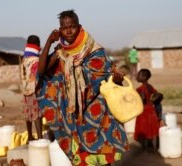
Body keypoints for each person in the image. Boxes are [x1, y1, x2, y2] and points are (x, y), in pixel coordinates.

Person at [36, 10, 128, 165]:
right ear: (59, 30)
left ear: (79, 27)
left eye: (72, 26)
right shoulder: (61, 51)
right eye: (64, 28)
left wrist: (117, 81)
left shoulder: (94, 49)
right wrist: (48, 42)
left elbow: (108, 76)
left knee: (103, 150)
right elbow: (41, 71)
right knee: (81, 154)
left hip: (98, 110)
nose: (69, 31)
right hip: (74, 112)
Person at [20, 35, 42, 141]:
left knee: (28, 113)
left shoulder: (24, 59)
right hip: (34, 90)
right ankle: (40, 137)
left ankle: (29, 136)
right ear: (37, 45)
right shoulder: (36, 60)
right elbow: (37, 76)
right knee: (37, 114)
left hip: (25, 90)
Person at [134, 69, 160, 152]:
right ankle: (150, 145)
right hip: (151, 110)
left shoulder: (141, 89)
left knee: (143, 128)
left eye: (138, 75)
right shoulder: (150, 86)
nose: (137, 77)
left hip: (143, 111)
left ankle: (144, 148)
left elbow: (142, 98)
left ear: (144, 77)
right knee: (150, 128)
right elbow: (157, 94)